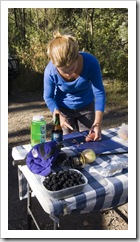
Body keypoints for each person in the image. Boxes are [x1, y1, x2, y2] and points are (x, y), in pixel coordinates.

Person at [43, 31, 106, 141]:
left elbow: (99, 93)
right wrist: (57, 115)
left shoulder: (91, 62)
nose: (68, 74)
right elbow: (48, 97)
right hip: (63, 110)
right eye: (63, 71)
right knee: (66, 142)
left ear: (77, 56)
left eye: (72, 69)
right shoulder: (50, 71)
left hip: (86, 107)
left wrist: (97, 123)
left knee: (90, 140)